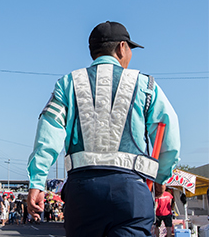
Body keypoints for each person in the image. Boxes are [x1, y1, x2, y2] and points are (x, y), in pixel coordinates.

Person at [27, 21, 180, 236]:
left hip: (82, 193)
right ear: (121, 48)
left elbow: (49, 131)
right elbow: (168, 137)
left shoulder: (68, 83)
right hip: (131, 193)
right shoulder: (145, 84)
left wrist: (37, 181)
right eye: (129, 49)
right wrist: (161, 179)